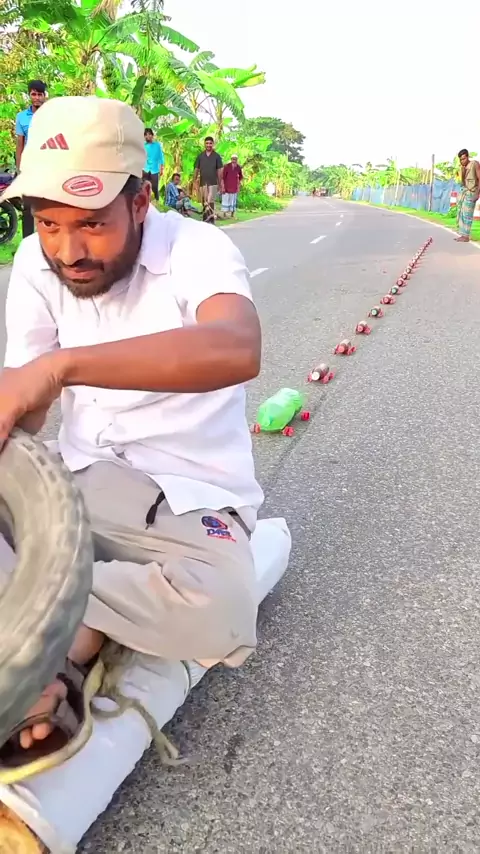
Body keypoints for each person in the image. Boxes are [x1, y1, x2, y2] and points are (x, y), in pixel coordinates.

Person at [0, 96, 263, 773]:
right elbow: (27, 410)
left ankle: (60, 632)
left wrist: (62, 367)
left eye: (92, 223)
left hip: (187, 500)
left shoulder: (199, 249)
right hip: (78, 486)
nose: (68, 251)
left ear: (140, 201)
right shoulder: (34, 261)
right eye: (49, 224)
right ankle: (53, 636)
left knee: (221, 609)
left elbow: (237, 347)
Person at [15, 79, 47, 239]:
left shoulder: (51, 115)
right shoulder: (21, 117)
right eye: (34, 94)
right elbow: (20, 144)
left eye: (40, 94)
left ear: (45, 95)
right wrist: (19, 169)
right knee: (27, 206)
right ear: (29, 95)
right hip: (29, 167)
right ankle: (27, 240)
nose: (37, 98)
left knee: (47, 205)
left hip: (48, 166)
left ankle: (46, 239)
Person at [193, 136, 223, 224]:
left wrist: (220, 184)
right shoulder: (200, 156)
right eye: (207, 143)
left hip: (213, 182)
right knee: (204, 201)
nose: (208, 145)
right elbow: (196, 169)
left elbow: (220, 171)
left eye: (210, 143)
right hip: (203, 183)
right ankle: (205, 220)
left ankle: (211, 220)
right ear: (204, 144)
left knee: (210, 201)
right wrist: (194, 182)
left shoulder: (217, 156)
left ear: (213, 144)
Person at [455, 149, 480, 242]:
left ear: (468, 157)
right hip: (465, 192)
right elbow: (463, 182)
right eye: (461, 159)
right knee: (462, 213)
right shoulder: (463, 168)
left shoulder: (474, 164)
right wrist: (462, 171)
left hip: (472, 192)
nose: (462, 161)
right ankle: (463, 234)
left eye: (464, 159)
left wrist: (477, 193)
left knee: (467, 215)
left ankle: (466, 236)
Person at [142, 128, 164, 202]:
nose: (147, 136)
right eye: (146, 135)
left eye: (149, 134)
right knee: (144, 186)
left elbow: (160, 157)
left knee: (154, 187)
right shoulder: (143, 146)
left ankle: (157, 200)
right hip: (145, 168)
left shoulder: (157, 145)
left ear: (152, 135)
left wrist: (161, 168)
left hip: (154, 169)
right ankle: (145, 201)